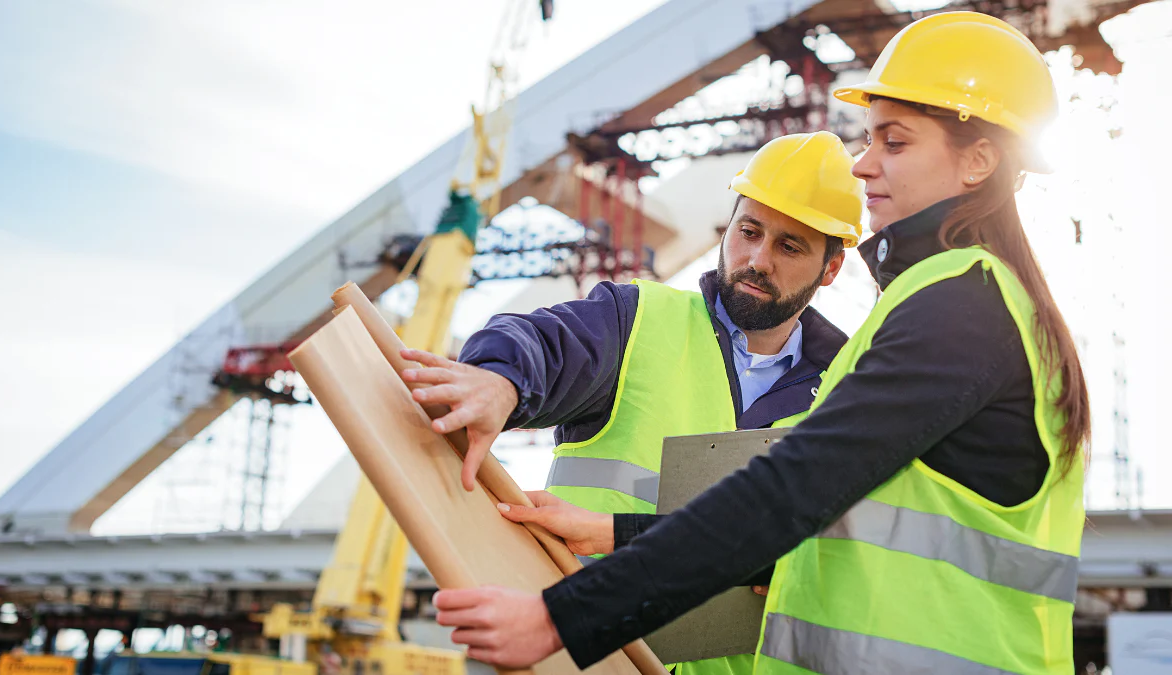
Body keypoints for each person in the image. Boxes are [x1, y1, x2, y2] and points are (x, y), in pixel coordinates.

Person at [428, 12, 1091, 675]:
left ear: (978, 160)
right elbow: (823, 525)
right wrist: (608, 528)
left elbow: (791, 491)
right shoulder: (974, 304)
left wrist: (559, 618)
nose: (865, 165)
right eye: (869, 139)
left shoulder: (959, 308)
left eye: (894, 141)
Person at [400, 131, 863, 675]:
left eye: (789, 247)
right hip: (591, 660)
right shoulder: (636, 320)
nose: (757, 260)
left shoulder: (850, 389)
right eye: (749, 231)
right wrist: (500, 382)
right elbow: (542, 345)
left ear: (831, 269)